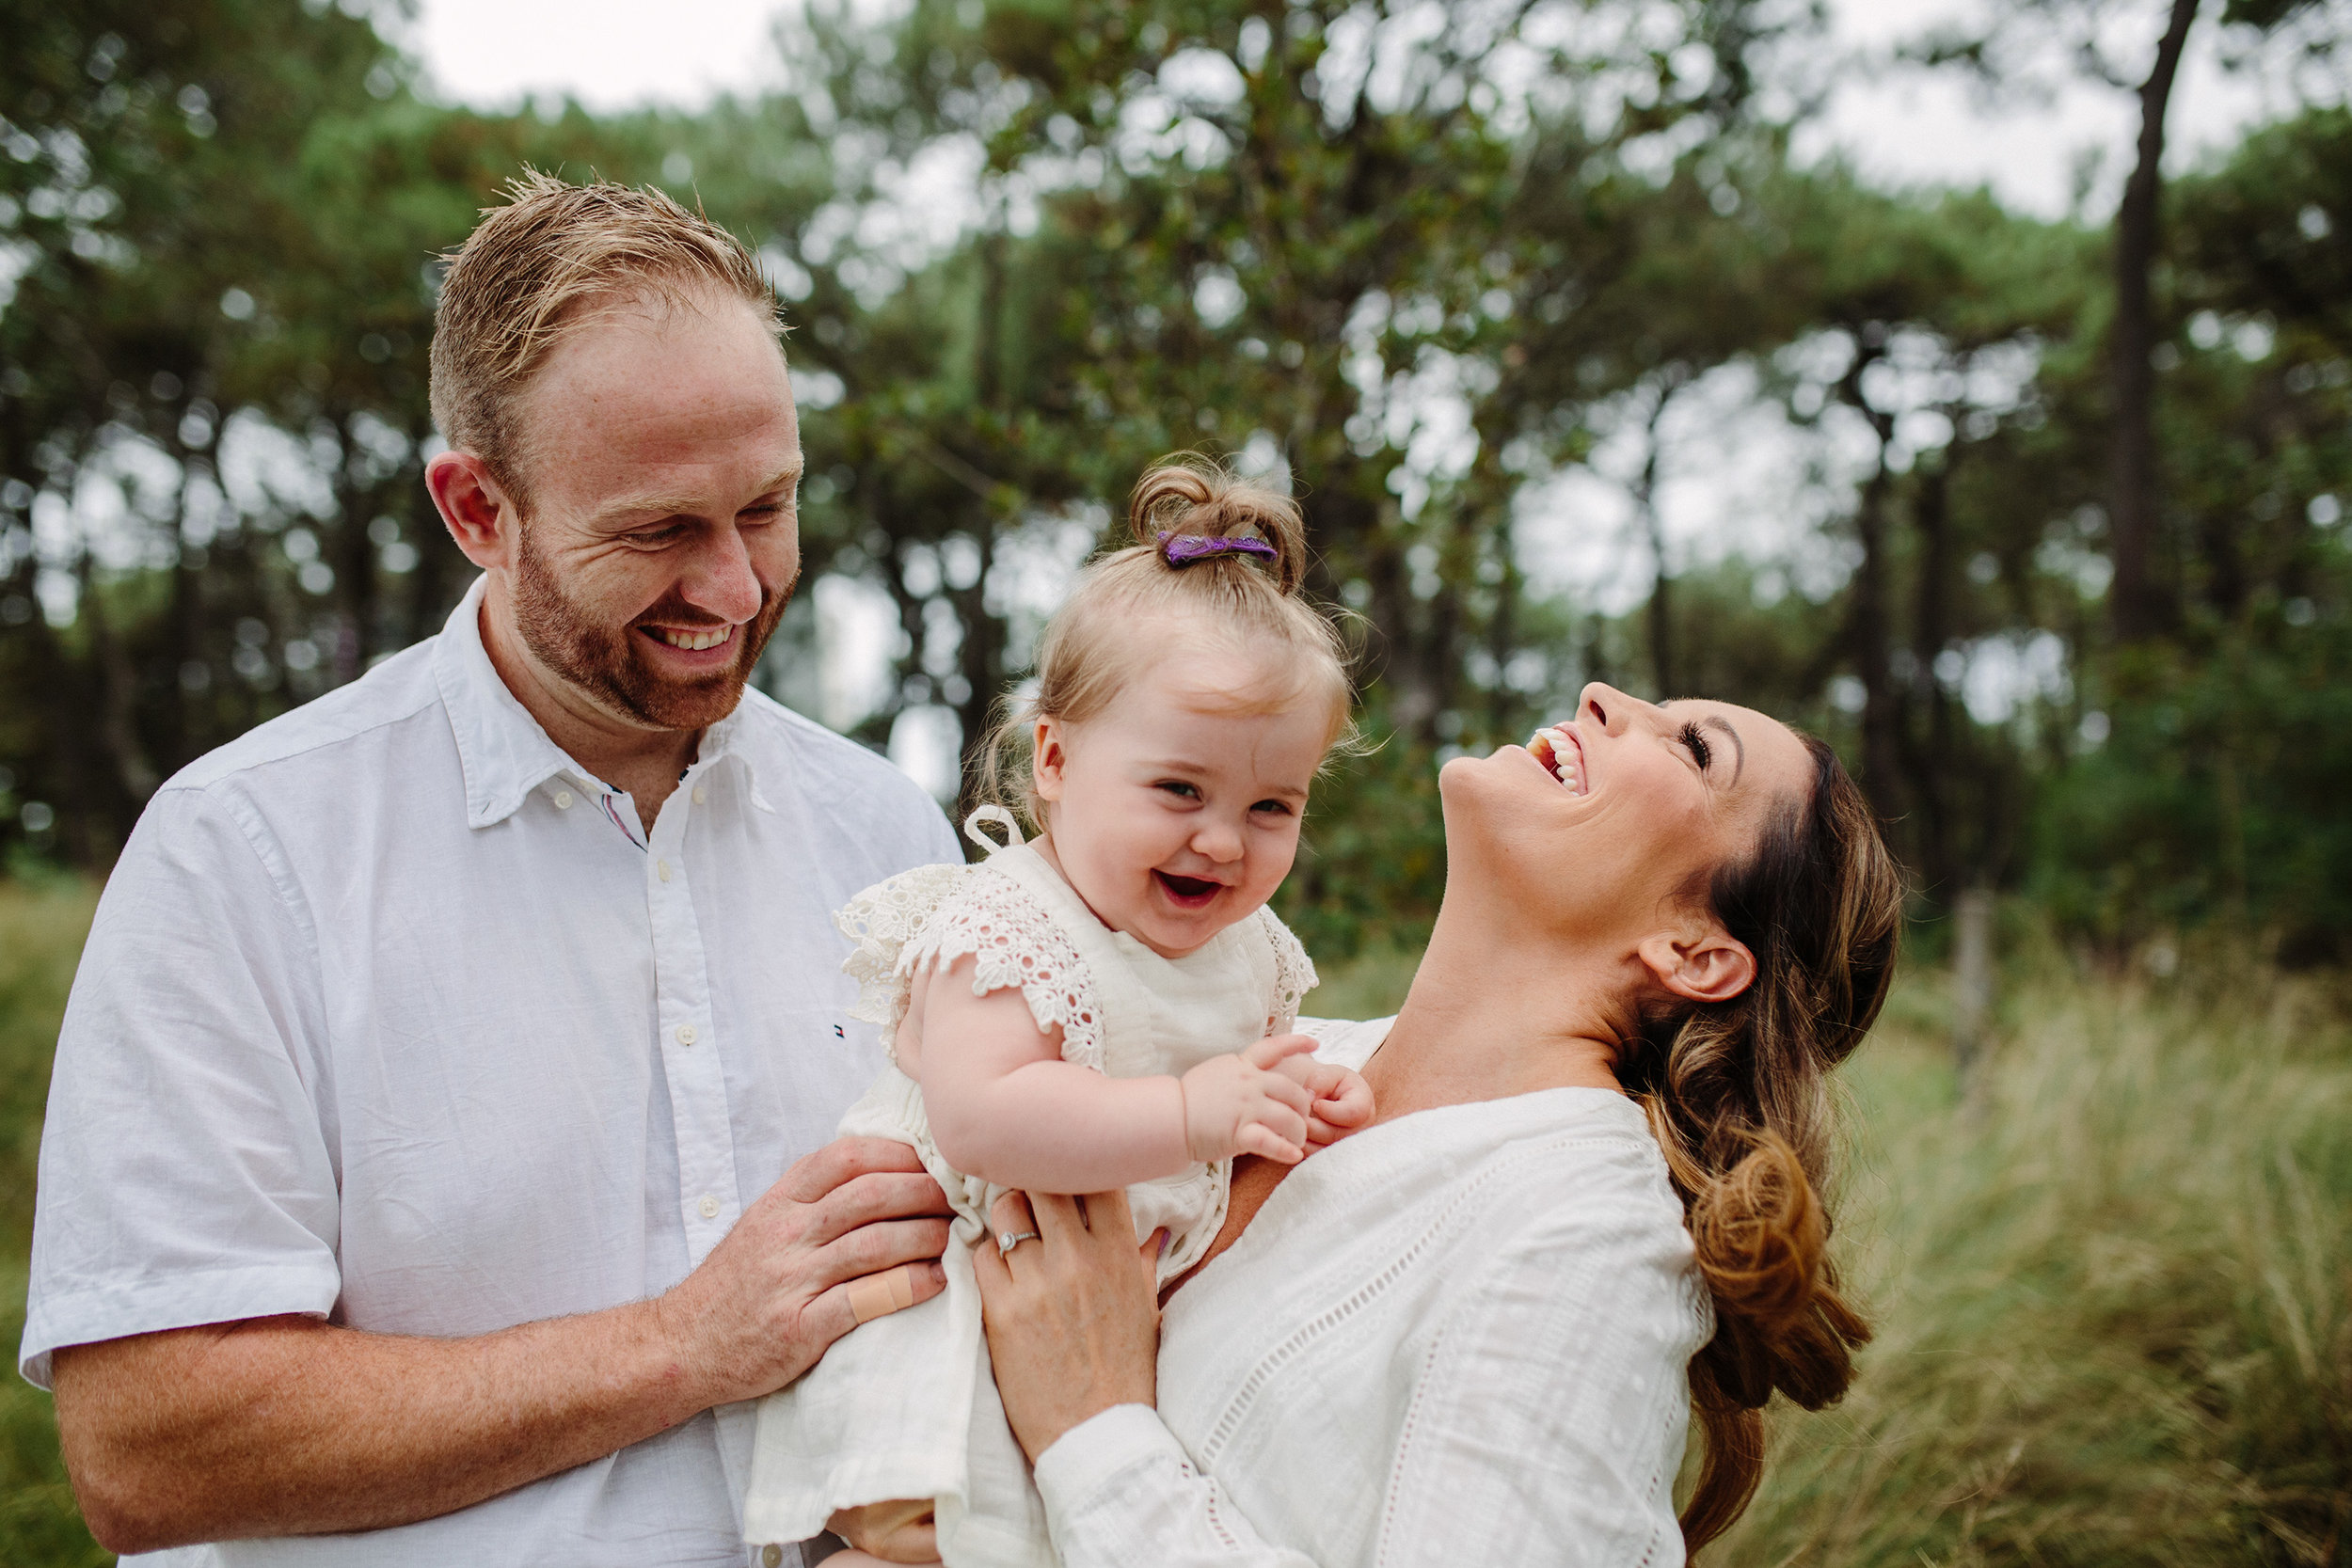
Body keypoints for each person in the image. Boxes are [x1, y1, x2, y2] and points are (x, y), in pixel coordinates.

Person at [23, 174, 961, 1567]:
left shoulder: (888, 832)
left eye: (766, 506)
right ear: (476, 507)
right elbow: (148, 1443)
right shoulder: (243, 852)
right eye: (657, 531)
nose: (737, 588)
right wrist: (679, 1344)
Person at [909, 683, 1904, 1566]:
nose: (1605, 694)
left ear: (1692, 952)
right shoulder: (1282, 1054)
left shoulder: (1586, 1239)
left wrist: (1095, 1434)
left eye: (1693, 749)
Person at [742, 460, 1374, 1566]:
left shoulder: (1245, 949)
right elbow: (986, 1115)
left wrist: (1299, 1096)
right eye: (1179, 790)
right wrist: (1190, 1110)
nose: (1223, 840)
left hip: (1105, 1324)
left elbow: (1244, 1078)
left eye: (1271, 806)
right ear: (1057, 759)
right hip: (951, 1316)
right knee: (926, 1544)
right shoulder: (1006, 928)